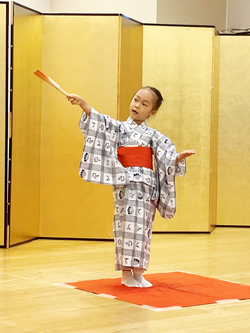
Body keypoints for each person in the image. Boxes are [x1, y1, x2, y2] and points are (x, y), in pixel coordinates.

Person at [68, 87, 196, 288]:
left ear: (152, 112)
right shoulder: (118, 128)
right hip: (126, 184)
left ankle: (139, 273)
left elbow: (166, 158)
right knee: (125, 228)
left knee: (144, 229)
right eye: (136, 99)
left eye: (144, 104)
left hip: (147, 186)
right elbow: (99, 122)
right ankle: (126, 274)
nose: (137, 105)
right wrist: (84, 105)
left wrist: (178, 157)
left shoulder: (153, 135)